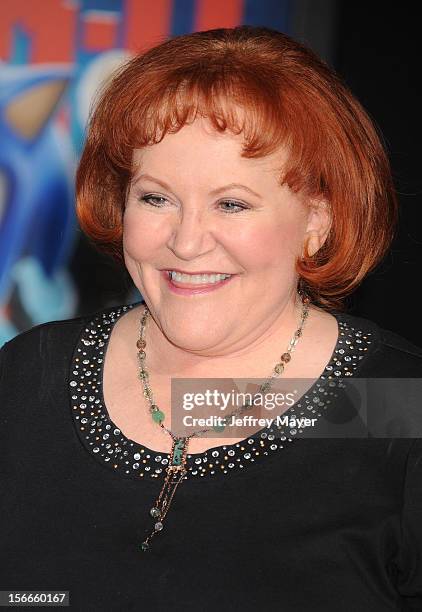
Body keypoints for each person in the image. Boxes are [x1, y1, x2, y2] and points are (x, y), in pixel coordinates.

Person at [1, 25, 422, 612]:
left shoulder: (400, 408)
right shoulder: (27, 379)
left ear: (316, 221)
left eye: (232, 203)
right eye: (156, 198)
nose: (187, 242)